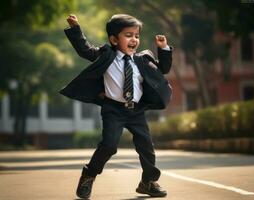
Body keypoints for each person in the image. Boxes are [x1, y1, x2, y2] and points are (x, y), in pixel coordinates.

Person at [60, 13, 172, 199]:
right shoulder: (107, 55)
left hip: (136, 110)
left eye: (136, 35)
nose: (134, 40)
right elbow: (85, 50)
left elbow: (164, 69)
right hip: (113, 109)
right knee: (109, 145)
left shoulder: (143, 60)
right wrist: (75, 29)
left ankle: (149, 182)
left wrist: (164, 49)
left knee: (146, 145)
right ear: (113, 39)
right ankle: (89, 175)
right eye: (128, 35)